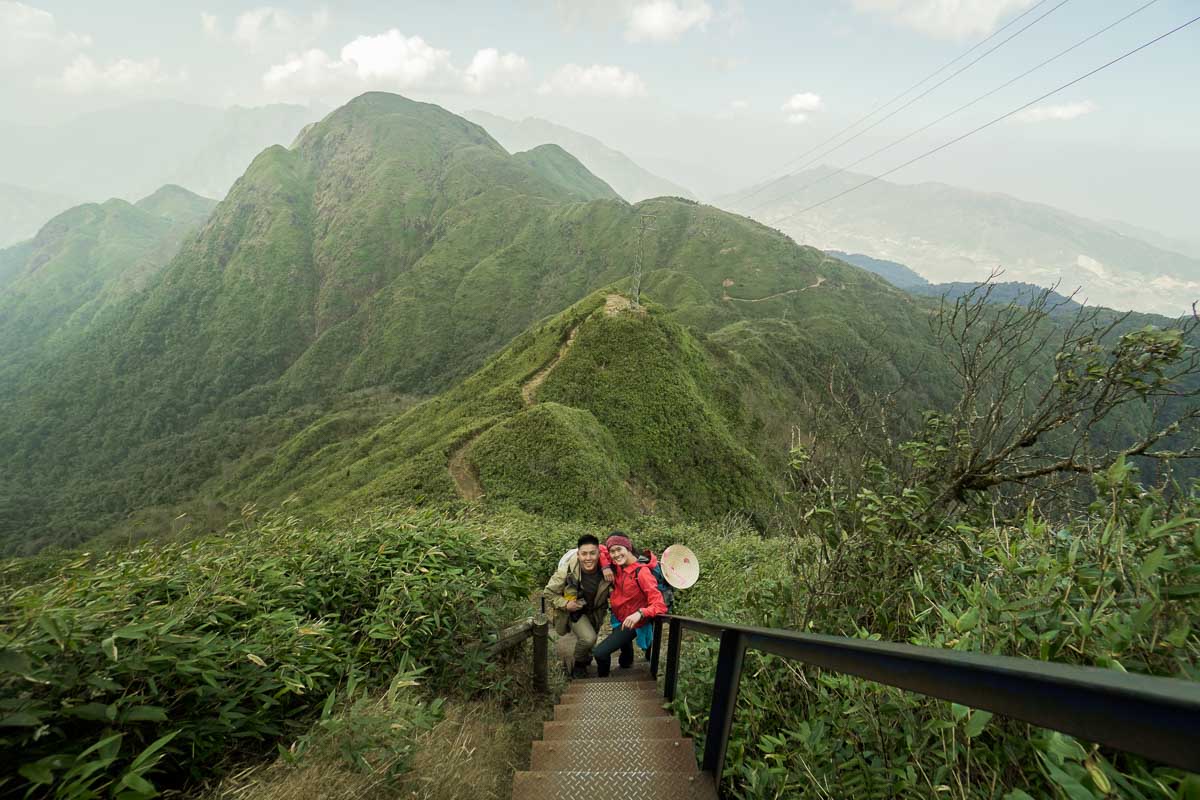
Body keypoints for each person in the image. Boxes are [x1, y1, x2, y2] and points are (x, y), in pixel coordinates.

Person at [592, 532, 667, 678]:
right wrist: (606, 566)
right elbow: (599, 548)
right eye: (612, 551)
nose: (615, 555)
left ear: (628, 547)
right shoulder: (618, 565)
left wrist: (640, 613)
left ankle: (603, 681)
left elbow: (659, 605)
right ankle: (627, 661)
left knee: (600, 653)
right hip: (620, 617)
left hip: (634, 622)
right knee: (625, 661)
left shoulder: (642, 572)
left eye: (619, 549)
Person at [544, 534, 613, 678]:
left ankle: (585, 658)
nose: (588, 558)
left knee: (588, 641)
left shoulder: (607, 570)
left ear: (599, 554)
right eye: (584, 554)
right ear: (578, 554)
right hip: (575, 610)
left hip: (596, 611)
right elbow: (549, 592)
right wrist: (566, 604)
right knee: (589, 638)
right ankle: (578, 666)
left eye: (592, 553)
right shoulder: (566, 570)